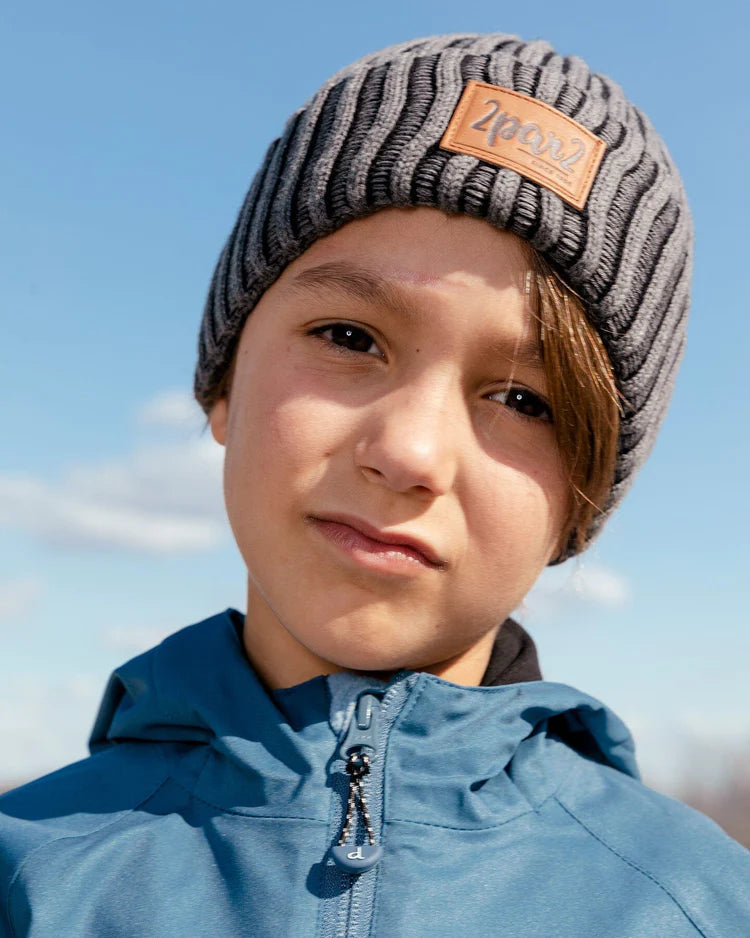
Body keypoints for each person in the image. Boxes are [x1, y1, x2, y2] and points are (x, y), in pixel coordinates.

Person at [1, 31, 748, 937]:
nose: (410, 453)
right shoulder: (31, 875)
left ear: (580, 506)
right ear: (225, 384)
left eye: (524, 398)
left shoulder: (697, 906)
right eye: (350, 338)